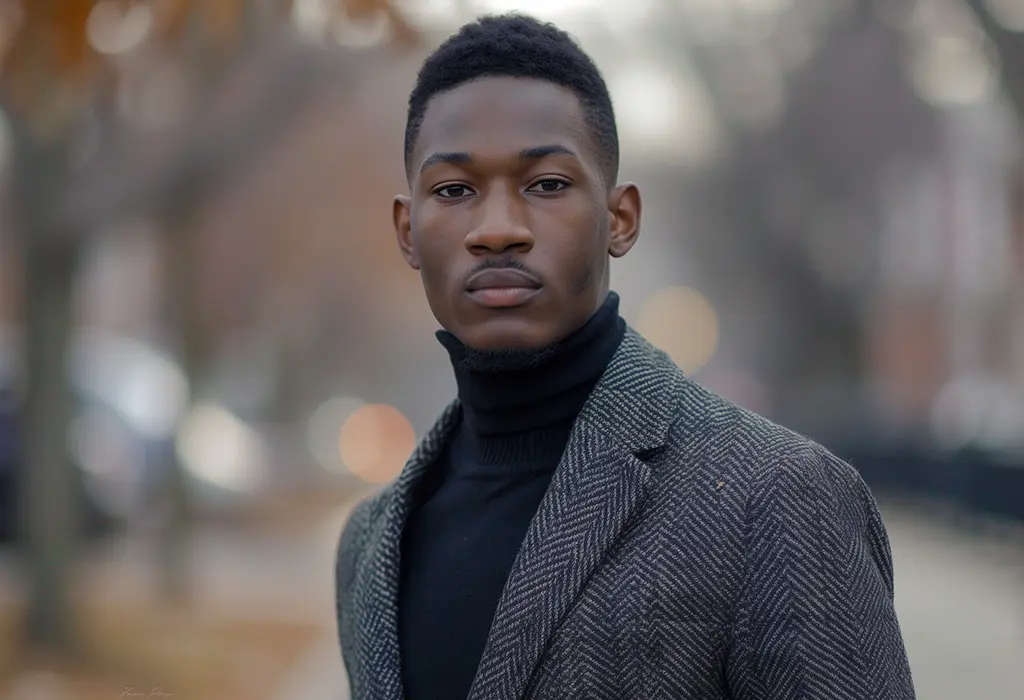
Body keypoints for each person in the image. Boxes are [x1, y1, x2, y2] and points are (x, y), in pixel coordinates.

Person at [335, 13, 915, 700]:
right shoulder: (370, 545)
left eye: (546, 184)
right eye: (454, 191)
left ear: (620, 219)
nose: (497, 230)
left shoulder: (780, 497)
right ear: (408, 230)